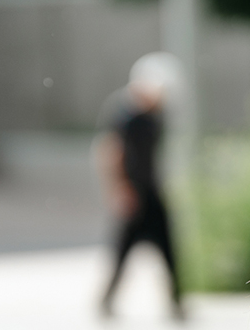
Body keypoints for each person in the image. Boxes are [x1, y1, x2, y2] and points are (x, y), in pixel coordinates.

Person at [97, 52, 184, 319]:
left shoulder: (154, 117)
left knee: (169, 246)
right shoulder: (125, 115)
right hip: (133, 190)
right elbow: (110, 152)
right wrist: (120, 188)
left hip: (151, 189)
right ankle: (107, 299)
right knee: (123, 250)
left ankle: (176, 300)